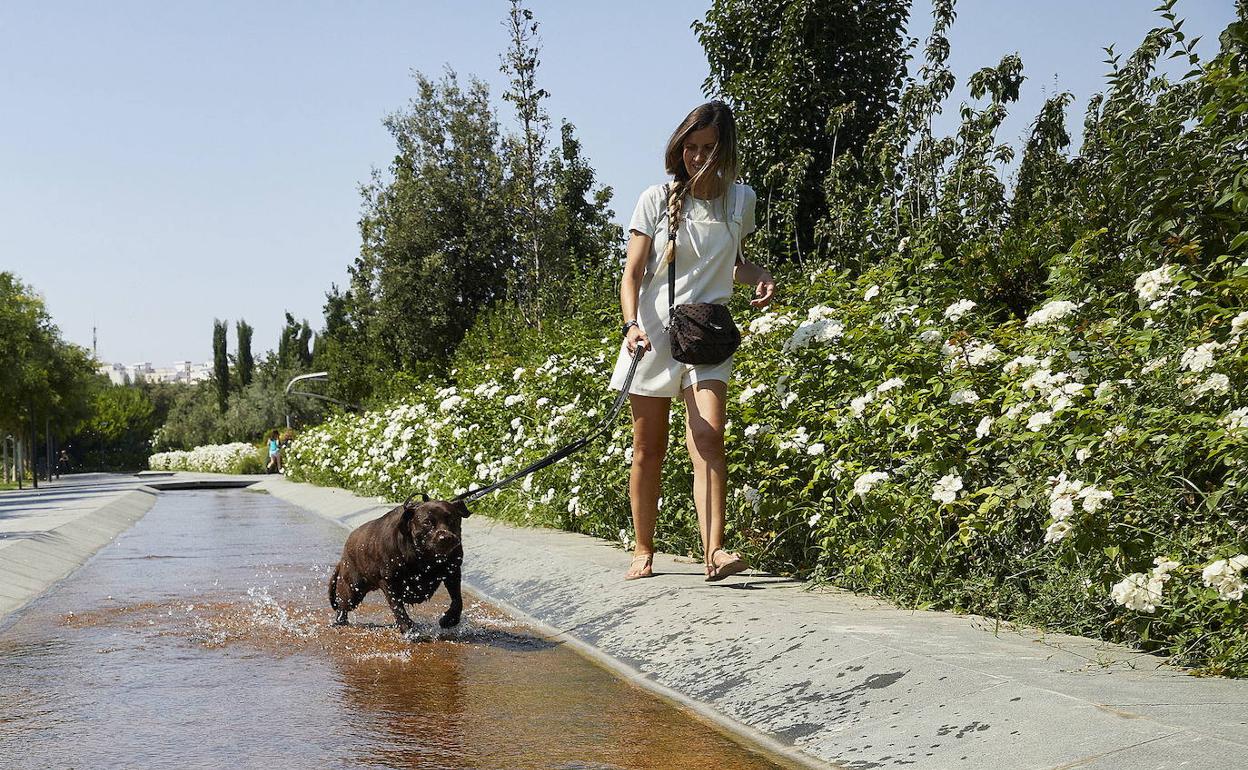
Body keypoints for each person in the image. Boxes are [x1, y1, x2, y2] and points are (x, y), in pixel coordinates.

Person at [608, 100, 776, 582]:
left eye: (708, 148)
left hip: (708, 333)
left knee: (709, 435)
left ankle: (715, 551)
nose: (698, 158)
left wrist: (760, 274)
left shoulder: (741, 200)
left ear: (725, 151)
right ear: (679, 149)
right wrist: (630, 325)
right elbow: (633, 274)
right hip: (653, 335)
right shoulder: (655, 199)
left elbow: (732, 265)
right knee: (649, 447)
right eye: (690, 149)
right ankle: (643, 548)